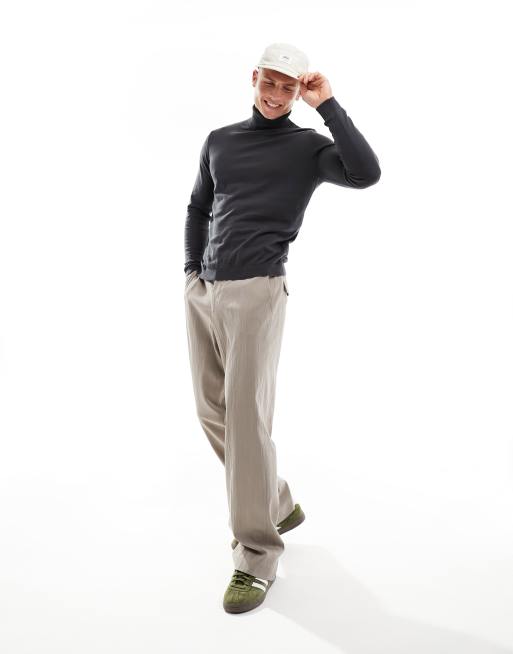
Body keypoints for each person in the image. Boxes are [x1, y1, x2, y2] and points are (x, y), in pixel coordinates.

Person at [183, 42, 381, 613]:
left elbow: (366, 173)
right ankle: (276, 501)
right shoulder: (220, 140)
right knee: (212, 411)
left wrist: (329, 106)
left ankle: (256, 555)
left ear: (299, 91)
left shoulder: (308, 148)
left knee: (246, 423)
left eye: (287, 88)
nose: (275, 95)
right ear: (254, 78)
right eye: (269, 83)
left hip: (257, 292)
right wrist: (191, 272)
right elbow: (198, 208)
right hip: (205, 290)